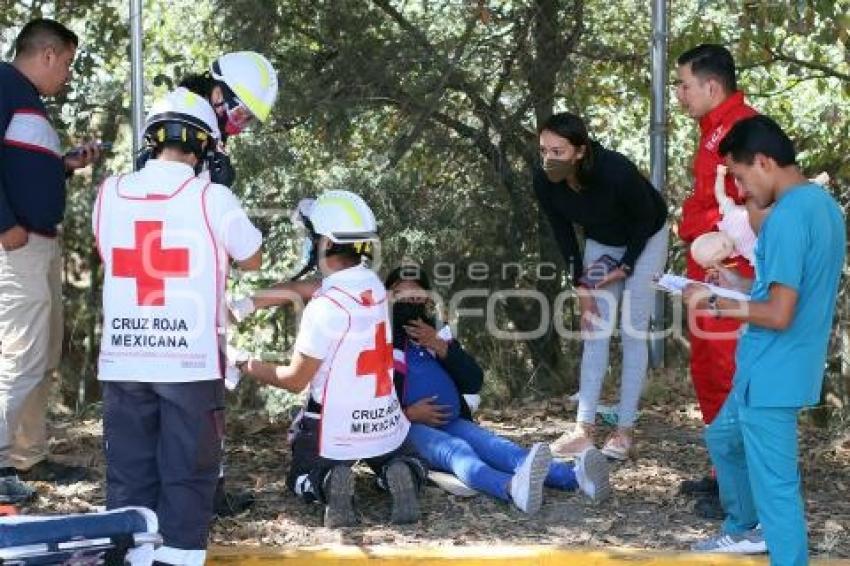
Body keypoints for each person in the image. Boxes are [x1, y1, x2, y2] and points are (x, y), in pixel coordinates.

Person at [93, 87, 262, 565]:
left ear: (151, 139)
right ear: (205, 145)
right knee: (188, 474)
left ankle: (128, 558)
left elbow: (108, 251)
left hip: (124, 359)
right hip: (189, 364)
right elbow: (251, 257)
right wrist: (220, 185)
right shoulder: (213, 197)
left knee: (128, 474)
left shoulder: (109, 192)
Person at [683, 116, 845, 563]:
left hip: (773, 373)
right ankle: (744, 528)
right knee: (724, 439)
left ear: (764, 162)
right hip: (771, 367)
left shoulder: (788, 217)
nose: (740, 191)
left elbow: (778, 312)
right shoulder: (820, 205)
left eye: (739, 177)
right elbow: (789, 288)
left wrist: (712, 304)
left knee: (777, 491)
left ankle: (780, 550)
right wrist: (736, 283)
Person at [233, 191, 426, 527]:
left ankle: (326, 480)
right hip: (381, 420)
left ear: (325, 243)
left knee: (301, 476)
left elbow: (294, 381)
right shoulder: (375, 288)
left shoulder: (323, 310)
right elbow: (313, 287)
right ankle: (402, 472)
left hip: (331, 424)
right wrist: (250, 303)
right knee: (404, 459)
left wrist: (241, 362)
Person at [386, 265, 612, 513]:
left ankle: (576, 477)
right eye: (399, 292)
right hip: (407, 428)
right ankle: (511, 488)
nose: (407, 297)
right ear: (386, 298)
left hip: (451, 421)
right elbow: (367, 399)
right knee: (458, 452)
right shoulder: (380, 340)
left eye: (414, 291)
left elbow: (473, 381)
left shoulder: (439, 333)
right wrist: (409, 414)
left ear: (427, 297)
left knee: (497, 447)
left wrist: (440, 346)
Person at [0, 18, 103, 503]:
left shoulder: (28, 98)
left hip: (40, 242)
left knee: (42, 352)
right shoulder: (3, 84)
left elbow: (20, 166)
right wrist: (4, 223)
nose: (66, 74)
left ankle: (27, 454)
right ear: (46, 54)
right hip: (14, 245)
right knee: (19, 353)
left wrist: (65, 164)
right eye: (66, 62)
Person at [534, 112, 668, 461]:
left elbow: (646, 219)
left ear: (580, 151)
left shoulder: (614, 170)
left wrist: (626, 267)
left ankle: (624, 431)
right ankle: (583, 429)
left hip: (646, 238)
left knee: (632, 330)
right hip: (603, 242)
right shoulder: (544, 180)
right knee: (595, 328)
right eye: (544, 150)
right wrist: (580, 282)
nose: (549, 159)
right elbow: (562, 231)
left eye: (558, 151)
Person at [178, 51, 279, 517]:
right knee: (201, 384)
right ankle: (203, 488)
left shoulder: (202, 127)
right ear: (217, 92)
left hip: (199, 276)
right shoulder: (185, 123)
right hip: (180, 281)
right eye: (238, 112)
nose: (240, 125)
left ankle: (208, 484)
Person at [674, 44, 760, 517]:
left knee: (730, 370)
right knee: (706, 368)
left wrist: (702, 226)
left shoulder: (747, 128)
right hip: (703, 268)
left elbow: (754, 204)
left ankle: (745, 487)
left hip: (734, 272)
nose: (680, 96)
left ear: (711, 86)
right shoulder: (711, 130)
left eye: (684, 85)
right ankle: (721, 472)